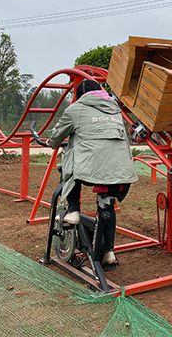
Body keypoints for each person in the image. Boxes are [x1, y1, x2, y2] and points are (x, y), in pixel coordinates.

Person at [47, 79, 138, 266]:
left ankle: (73, 210)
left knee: (69, 164)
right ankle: (109, 252)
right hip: (121, 170)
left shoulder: (75, 109)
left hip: (92, 170)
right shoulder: (114, 109)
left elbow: (56, 137)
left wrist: (50, 142)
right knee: (107, 206)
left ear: (80, 96)